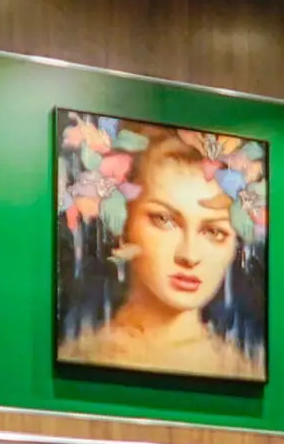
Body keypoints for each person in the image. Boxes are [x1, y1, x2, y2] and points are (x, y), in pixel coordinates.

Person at [59, 128, 266, 382]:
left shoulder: (244, 368)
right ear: (124, 225)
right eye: (164, 219)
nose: (189, 256)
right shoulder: (79, 354)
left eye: (214, 231)